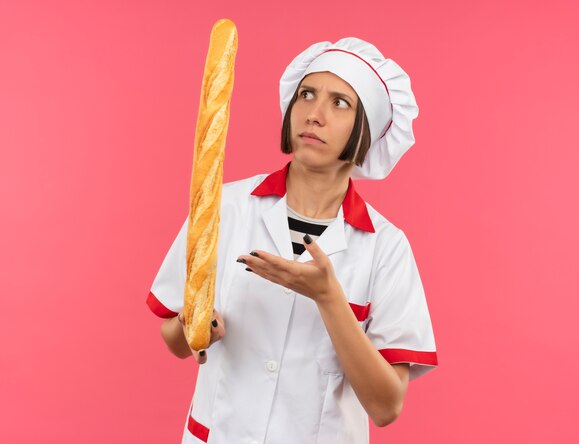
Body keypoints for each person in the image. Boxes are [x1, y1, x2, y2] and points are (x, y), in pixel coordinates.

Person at [147, 37, 438, 444]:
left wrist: (328, 298)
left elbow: (386, 407)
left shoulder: (386, 248)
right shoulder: (222, 206)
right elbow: (175, 340)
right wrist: (193, 327)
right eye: (306, 94)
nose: (314, 115)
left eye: (340, 103)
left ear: (365, 131)